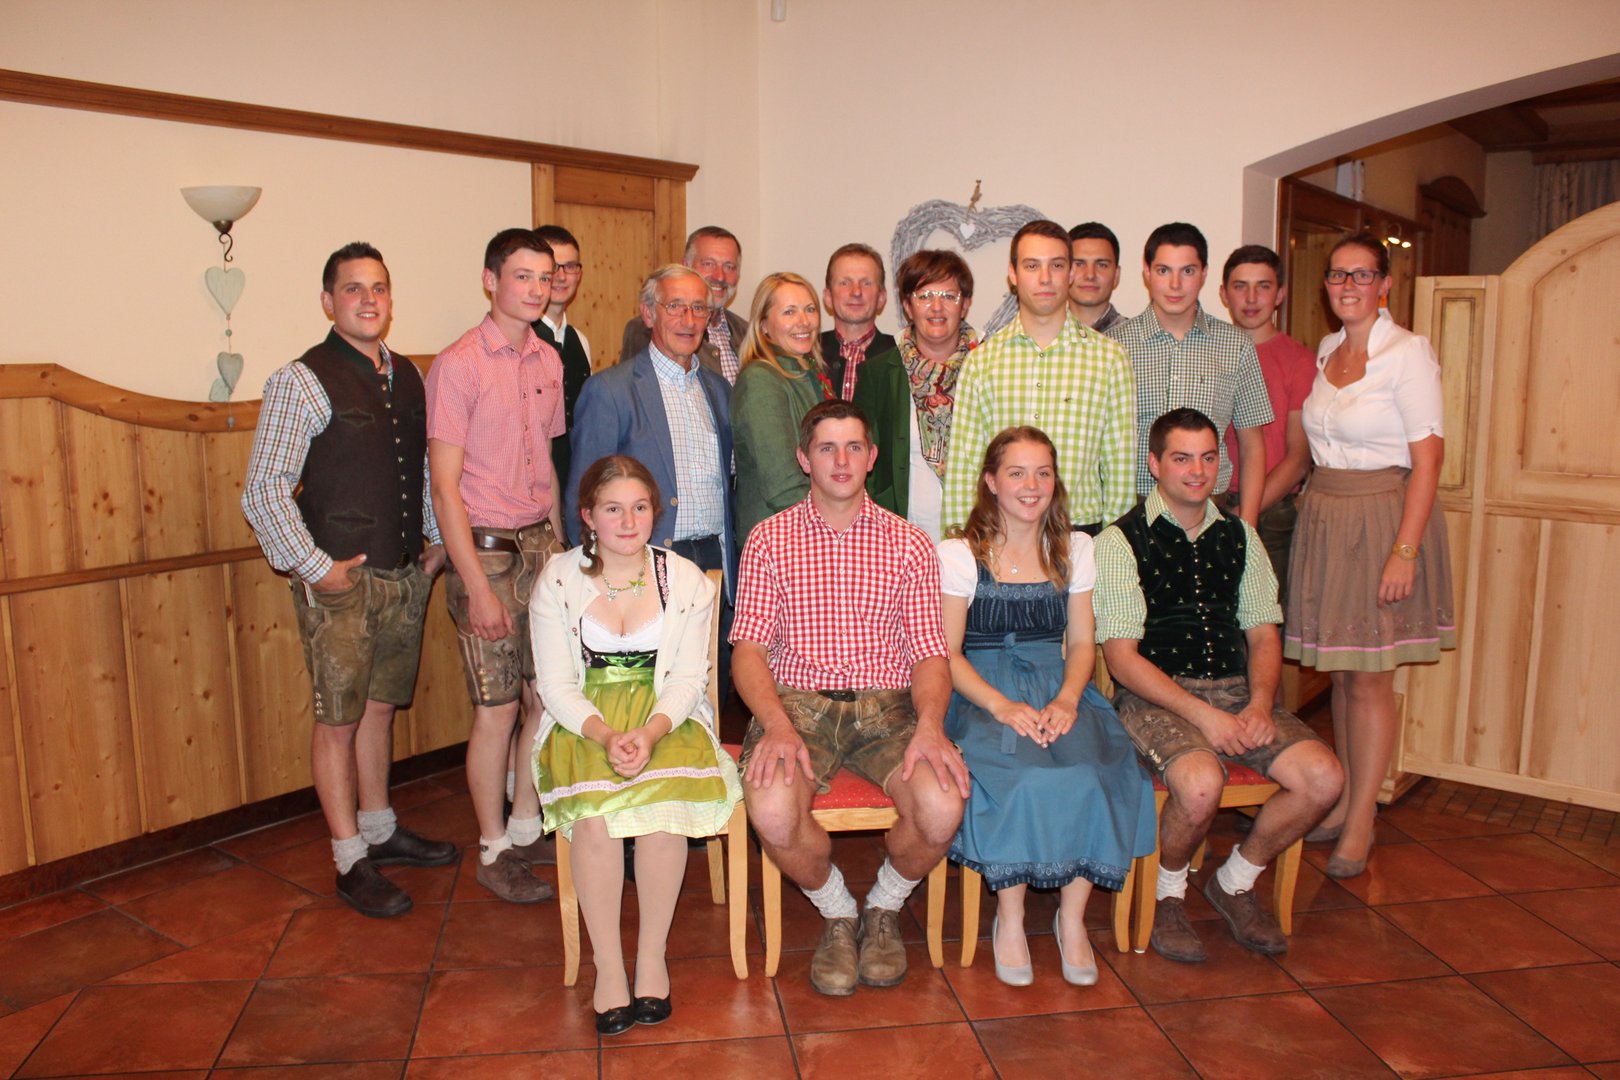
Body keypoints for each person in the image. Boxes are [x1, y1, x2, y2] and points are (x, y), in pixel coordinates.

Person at [242, 241, 458, 918]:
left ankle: (379, 828)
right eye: (353, 288)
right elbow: (264, 489)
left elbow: (422, 472)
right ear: (328, 301)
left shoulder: (410, 375)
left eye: (379, 288)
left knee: (381, 708)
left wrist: (434, 544)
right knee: (337, 720)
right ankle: (348, 859)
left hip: (404, 573)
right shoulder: (300, 380)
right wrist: (315, 568)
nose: (369, 300)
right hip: (339, 583)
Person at [732, 400, 969, 997]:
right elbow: (749, 652)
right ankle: (838, 911)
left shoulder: (910, 544)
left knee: (943, 806)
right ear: (803, 459)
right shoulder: (768, 539)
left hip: (888, 705)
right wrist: (776, 724)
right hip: (797, 704)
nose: (841, 460)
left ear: (872, 457)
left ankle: (884, 904)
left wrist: (931, 726)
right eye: (826, 448)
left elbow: (930, 654)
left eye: (853, 447)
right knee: (772, 810)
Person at [1096, 409, 1343, 963]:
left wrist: (1260, 704)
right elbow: (1121, 659)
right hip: (1155, 695)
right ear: (1155, 464)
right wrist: (1203, 716)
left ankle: (1235, 880)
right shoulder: (1120, 541)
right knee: (1201, 785)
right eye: (1182, 458)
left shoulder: (1242, 536)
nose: (1197, 471)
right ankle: (1168, 895)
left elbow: (1263, 634)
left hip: (1235, 690)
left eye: (1208, 458)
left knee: (1324, 778)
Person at [530, 455, 742, 1035]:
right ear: (587, 516)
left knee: (660, 814)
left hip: (665, 716)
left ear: (655, 511)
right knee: (595, 822)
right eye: (612, 509)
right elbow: (555, 685)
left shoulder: (685, 579)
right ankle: (608, 966)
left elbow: (688, 679)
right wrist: (605, 734)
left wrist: (649, 732)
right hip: (584, 720)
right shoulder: (558, 579)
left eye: (640, 507)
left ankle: (651, 958)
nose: (628, 522)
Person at [939, 427, 1155, 986]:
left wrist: (1067, 699)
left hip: (1060, 687)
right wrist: (1002, 706)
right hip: (982, 692)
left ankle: (1072, 917)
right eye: (1016, 473)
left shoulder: (1074, 549)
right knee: (1023, 776)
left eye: (1043, 473)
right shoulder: (960, 555)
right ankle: (1010, 918)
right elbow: (948, 655)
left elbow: (1081, 645)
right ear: (991, 482)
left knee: (1094, 770)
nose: (1031, 485)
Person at [1285, 232, 1455, 878]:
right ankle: (1344, 800)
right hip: (1328, 515)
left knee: (1371, 678)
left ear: (1385, 284)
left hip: (1383, 517)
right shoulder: (1328, 350)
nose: (1348, 286)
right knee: (1341, 671)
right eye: (1338, 275)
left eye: (1362, 275)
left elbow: (1428, 460)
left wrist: (1403, 551)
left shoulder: (1408, 353)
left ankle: (1362, 817)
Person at [426, 227, 565, 903]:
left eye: (545, 277)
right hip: (485, 552)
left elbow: (549, 465)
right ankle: (490, 848)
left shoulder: (548, 359)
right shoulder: (459, 365)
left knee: (545, 696)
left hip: (541, 548)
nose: (536, 289)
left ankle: (524, 824)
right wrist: (476, 586)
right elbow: (443, 487)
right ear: (491, 281)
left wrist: (564, 554)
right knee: (497, 708)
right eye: (522, 276)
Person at [567, 264, 737, 698]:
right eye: (674, 306)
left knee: (707, 693)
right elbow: (582, 497)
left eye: (698, 308)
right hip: (642, 565)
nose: (688, 319)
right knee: (646, 697)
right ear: (648, 313)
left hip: (712, 562)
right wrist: (596, 579)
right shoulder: (611, 391)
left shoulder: (719, 390)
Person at [944, 219, 1135, 535]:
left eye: (1056, 265)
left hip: (1080, 534)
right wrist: (961, 546)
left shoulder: (1110, 360)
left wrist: (1115, 550)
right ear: (1013, 274)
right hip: (999, 535)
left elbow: (1120, 471)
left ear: (1070, 273)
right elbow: (964, 471)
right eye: (1032, 266)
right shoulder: (982, 362)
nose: (1045, 278)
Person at [1106, 222, 1273, 524]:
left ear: (1204, 274)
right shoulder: (1114, 345)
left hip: (1210, 508)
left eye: (1187, 271)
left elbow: (1252, 445)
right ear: (1147, 273)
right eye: (1163, 270)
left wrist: (1247, 527)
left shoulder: (1236, 346)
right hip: (1133, 508)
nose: (1175, 284)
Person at [852, 250, 977, 542]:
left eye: (949, 296)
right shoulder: (879, 372)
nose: (937, 307)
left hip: (976, 536)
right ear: (908, 306)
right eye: (925, 296)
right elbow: (860, 457)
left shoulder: (988, 366)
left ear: (965, 305)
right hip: (900, 537)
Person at [1217, 245, 1317, 599]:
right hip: (1208, 503)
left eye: (1263, 286)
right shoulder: (1210, 351)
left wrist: (1243, 513)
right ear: (1223, 294)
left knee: (1264, 619)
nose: (1251, 298)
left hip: (1270, 513)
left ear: (1280, 294)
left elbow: (1299, 457)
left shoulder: (1299, 361)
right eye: (1240, 286)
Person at [730, 271, 835, 541]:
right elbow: (782, 484)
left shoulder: (811, 373)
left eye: (809, 309)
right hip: (781, 541)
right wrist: (834, 528)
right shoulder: (761, 380)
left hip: (809, 530)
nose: (804, 321)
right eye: (789, 312)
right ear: (764, 325)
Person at [621, 226, 748, 383]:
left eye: (729, 267)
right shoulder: (649, 329)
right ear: (685, 266)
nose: (720, 276)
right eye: (709, 264)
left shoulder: (747, 332)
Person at [532, 224, 593, 494]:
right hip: (532, 487)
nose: (561, 276)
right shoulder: (520, 338)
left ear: (579, 274)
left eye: (570, 267)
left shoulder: (580, 340)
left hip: (574, 481)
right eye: (553, 267)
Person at [820, 242, 895, 399]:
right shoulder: (808, 354)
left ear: (882, 298)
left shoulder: (901, 357)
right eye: (845, 283)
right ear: (828, 297)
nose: (856, 292)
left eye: (866, 283)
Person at [1068, 222, 1128, 332]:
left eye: (1102, 265)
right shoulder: (1042, 336)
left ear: (1116, 275)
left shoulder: (1137, 338)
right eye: (1079, 264)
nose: (1090, 275)